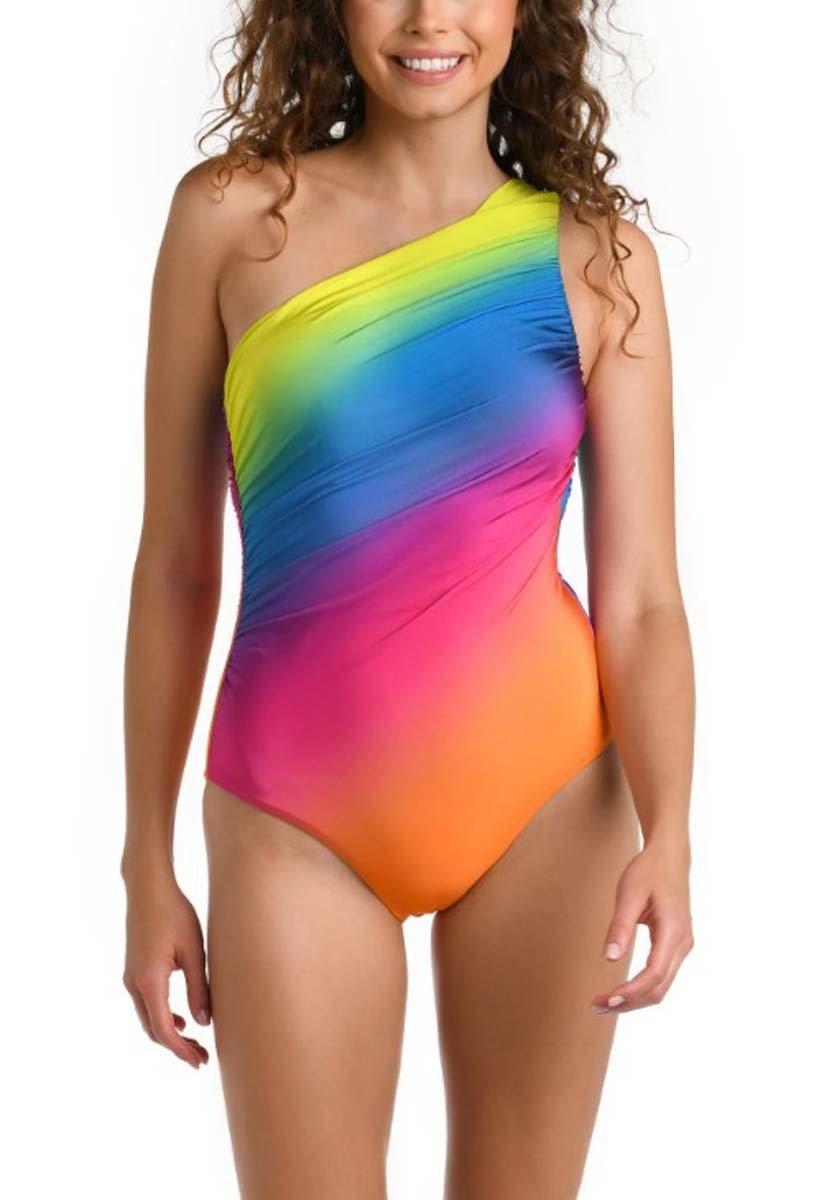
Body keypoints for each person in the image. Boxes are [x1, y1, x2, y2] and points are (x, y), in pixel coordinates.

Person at [121, 1, 695, 1196]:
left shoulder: (599, 260)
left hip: (548, 802)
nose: (431, 17)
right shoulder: (230, 221)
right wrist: (145, 861)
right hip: (293, 811)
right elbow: (176, 564)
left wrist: (672, 829)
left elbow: (643, 599)